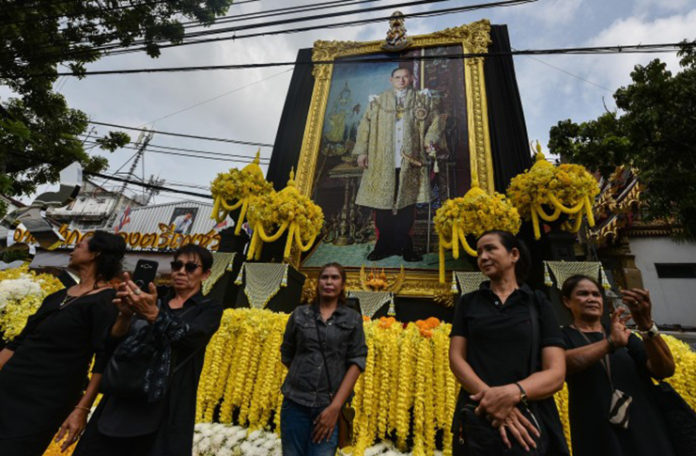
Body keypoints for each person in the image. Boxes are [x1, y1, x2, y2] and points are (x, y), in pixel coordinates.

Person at [74, 244, 223, 456]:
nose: (181, 272)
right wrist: (125, 315)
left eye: (191, 267)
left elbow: (191, 337)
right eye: (177, 265)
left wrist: (153, 315)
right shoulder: (152, 296)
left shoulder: (208, 308)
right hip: (122, 397)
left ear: (205, 274)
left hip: (164, 404)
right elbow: (112, 344)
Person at [0, 231, 126, 455]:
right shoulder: (57, 296)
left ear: (96, 253)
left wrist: (82, 409)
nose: (72, 250)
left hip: (45, 399)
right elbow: (17, 343)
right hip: (9, 384)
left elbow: (102, 360)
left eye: (78, 246)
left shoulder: (106, 302)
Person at [449, 230, 569, 456]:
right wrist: (492, 400)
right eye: (479, 252)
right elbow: (456, 358)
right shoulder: (468, 303)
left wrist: (513, 394)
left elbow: (556, 373)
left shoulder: (537, 302)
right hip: (478, 418)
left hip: (529, 418)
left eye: (490, 248)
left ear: (514, 254)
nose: (483, 256)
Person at [560, 275, 676, 456]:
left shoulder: (624, 335)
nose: (591, 299)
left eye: (596, 295)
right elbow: (561, 364)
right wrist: (610, 343)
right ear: (567, 301)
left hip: (645, 428)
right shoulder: (563, 336)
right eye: (583, 294)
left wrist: (646, 325)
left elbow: (665, 370)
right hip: (597, 433)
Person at [353, 66, 446, 262]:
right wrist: (361, 151)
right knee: (382, 204)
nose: (401, 81)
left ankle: (406, 246)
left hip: (411, 160)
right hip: (381, 160)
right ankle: (382, 245)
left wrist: (429, 141)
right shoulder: (378, 101)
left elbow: (436, 121)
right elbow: (364, 127)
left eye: (405, 77)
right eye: (397, 77)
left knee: (407, 204)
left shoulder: (422, 99)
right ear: (391, 80)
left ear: (412, 78)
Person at [280, 262, 367, 456]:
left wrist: (335, 407)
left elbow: (357, 362)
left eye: (334, 277)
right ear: (317, 282)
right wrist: (303, 375)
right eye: (324, 277)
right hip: (295, 403)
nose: (329, 281)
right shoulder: (300, 314)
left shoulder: (352, 319)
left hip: (328, 407)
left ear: (343, 284)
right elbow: (287, 353)